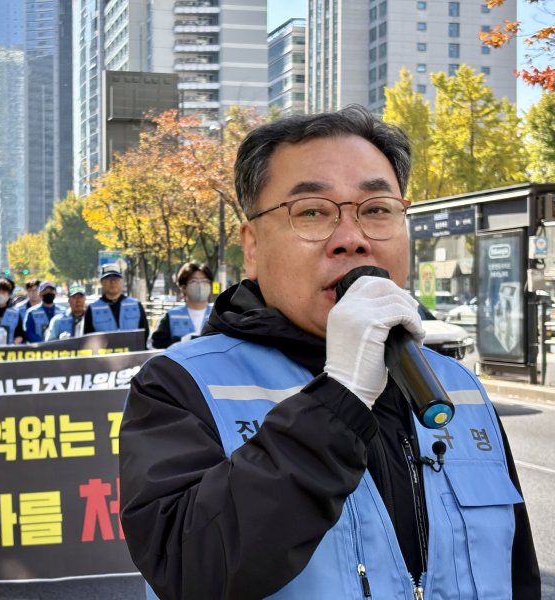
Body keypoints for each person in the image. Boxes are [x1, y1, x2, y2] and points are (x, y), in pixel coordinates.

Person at [119, 106, 540, 600]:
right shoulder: (178, 384)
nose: (352, 239)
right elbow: (188, 569)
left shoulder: (457, 386)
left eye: (377, 209)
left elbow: (517, 575)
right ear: (251, 246)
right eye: (313, 212)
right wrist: (339, 397)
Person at [149, 262, 213, 349]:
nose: (200, 285)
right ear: (183, 287)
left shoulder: (220, 315)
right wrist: (179, 343)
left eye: (205, 281)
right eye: (194, 281)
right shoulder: (171, 316)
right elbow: (154, 345)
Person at [84, 265, 149, 337]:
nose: (112, 282)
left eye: (116, 278)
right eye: (108, 279)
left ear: (122, 281)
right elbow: (88, 339)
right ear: (102, 282)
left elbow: (145, 334)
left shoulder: (136, 305)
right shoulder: (92, 309)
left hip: (134, 348)